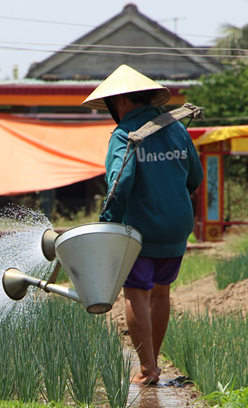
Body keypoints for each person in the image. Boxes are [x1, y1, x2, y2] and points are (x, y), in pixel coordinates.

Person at [82, 65, 204, 385]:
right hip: (177, 225)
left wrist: (108, 224)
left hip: (141, 229)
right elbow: (195, 177)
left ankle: (148, 369)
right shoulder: (177, 128)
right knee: (161, 293)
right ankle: (153, 362)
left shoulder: (124, 135)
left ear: (120, 103)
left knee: (135, 293)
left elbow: (119, 183)